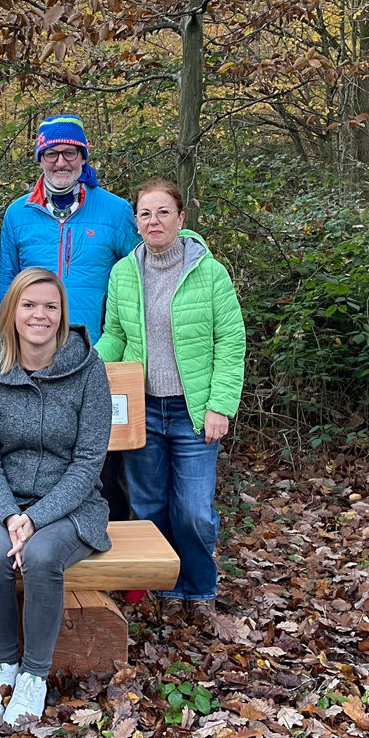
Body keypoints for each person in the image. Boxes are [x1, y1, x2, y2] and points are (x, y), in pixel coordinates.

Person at [0, 268, 113, 725]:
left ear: (62, 314)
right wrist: (10, 515)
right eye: (29, 305)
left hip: (71, 503)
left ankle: (34, 675)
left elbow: (89, 460)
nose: (39, 315)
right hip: (1, 500)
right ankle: (4, 664)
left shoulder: (88, 367)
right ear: (12, 311)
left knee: (42, 556)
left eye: (50, 306)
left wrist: (36, 518)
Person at [96, 180, 245, 622]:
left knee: (193, 510)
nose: (154, 221)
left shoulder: (209, 272)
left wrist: (220, 405)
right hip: (142, 409)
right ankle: (162, 586)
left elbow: (231, 342)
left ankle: (198, 587)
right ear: (136, 221)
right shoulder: (124, 272)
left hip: (193, 411)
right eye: (145, 213)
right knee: (148, 506)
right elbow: (115, 336)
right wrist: (86, 366)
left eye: (163, 212)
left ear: (181, 218)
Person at [0, 113, 140, 523]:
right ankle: (43, 536)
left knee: (106, 461)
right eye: (52, 153)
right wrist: (3, 346)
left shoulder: (116, 211)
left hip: (97, 354)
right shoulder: (18, 213)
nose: (61, 162)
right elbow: (6, 286)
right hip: (34, 358)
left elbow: (138, 277)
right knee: (43, 453)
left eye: (70, 153)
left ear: (83, 157)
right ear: (40, 158)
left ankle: (113, 548)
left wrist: (127, 343)